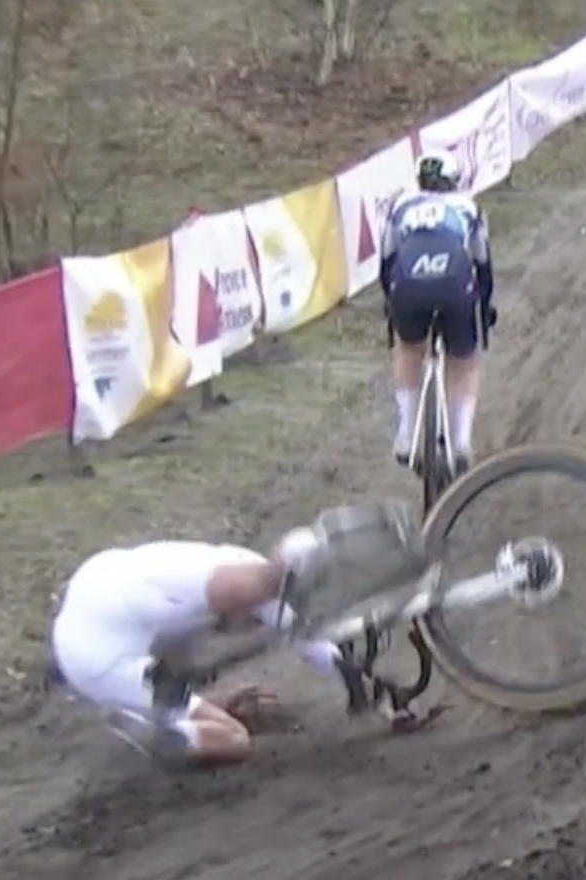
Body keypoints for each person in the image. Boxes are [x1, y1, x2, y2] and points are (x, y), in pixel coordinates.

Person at [50, 526, 391, 767]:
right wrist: (379, 699)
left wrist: (377, 695)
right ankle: (149, 727)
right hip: (100, 658)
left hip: (99, 583)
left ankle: (166, 709)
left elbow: (313, 643)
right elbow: (312, 643)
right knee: (233, 739)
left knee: (183, 655)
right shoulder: (224, 595)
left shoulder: (246, 566)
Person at [379, 152, 495, 475]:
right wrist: (484, 310)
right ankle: (461, 441)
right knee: (464, 359)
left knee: (408, 348)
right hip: (454, 284)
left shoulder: (401, 205)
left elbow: (386, 262)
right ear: (454, 181)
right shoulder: (468, 207)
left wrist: (391, 304)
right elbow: (483, 266)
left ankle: (405, 435)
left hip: (408, 283)